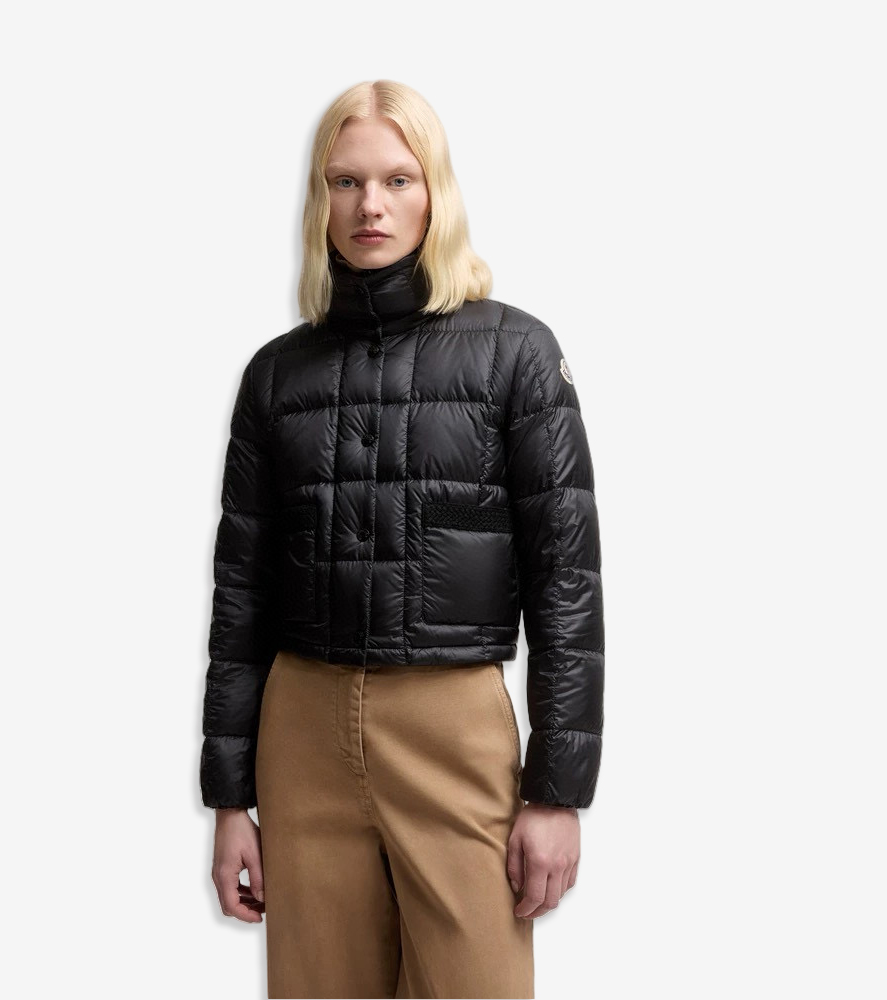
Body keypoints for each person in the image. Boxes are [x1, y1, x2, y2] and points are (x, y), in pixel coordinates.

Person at [200, 79, 605, 999]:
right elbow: (241, 596)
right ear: (320, 199)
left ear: (436, 193)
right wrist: (228, 801)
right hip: (301, 730)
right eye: (344, 182)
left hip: (452, 727)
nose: (370, 206)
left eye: (396, 179)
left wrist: (557, 791)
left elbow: (567, 583)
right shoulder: (275, 377)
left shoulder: (516, 355)